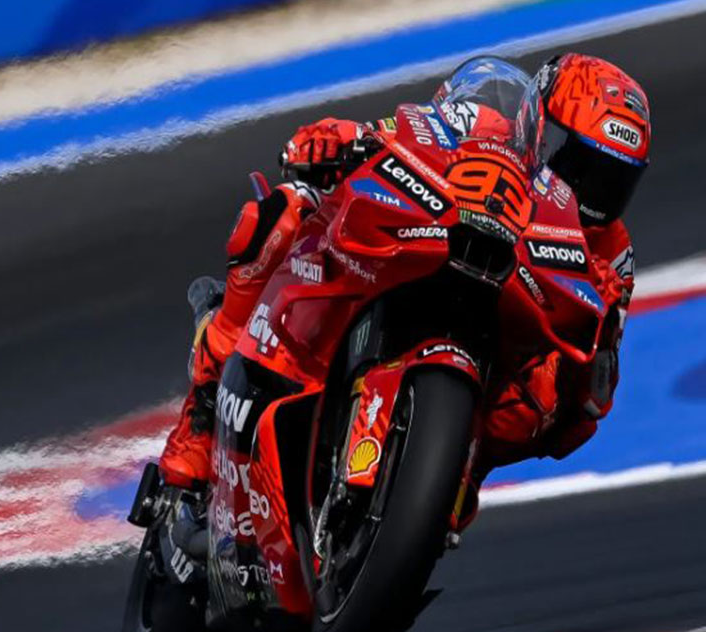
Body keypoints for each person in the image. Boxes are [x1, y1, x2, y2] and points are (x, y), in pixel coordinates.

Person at [156, 53, 648, 522]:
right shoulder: (486, 124)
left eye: (612, 182)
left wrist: (597, 328)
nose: (589, 192)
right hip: (427, 249)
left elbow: (592, 401)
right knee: (284, 213)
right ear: (540, 128)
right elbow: (397, 135)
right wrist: (338, 139)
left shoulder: (611, 252)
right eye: (577, 162)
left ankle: (441, 472)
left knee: (543, 404)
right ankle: (201, 416)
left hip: (503, 349)